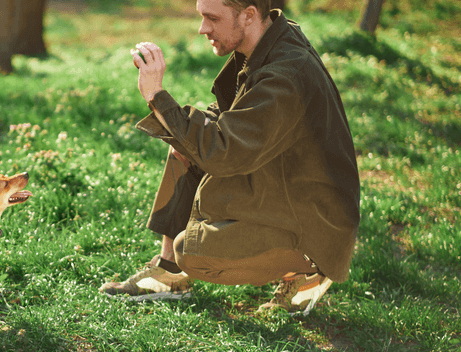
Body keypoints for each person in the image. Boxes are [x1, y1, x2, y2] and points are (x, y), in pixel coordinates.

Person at [99, 0, 360, 315]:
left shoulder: (285, 73)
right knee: (183, 143)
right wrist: (175, 122)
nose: (202, 29)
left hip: (313, 217)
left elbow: (223, 152)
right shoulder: (266, 42)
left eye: (212, 18)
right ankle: (168, 271)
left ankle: (308, 267)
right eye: (202, 16)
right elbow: (227, 117)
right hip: (280, 181)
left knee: (192, 251)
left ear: (248, 15)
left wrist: (157, 95)